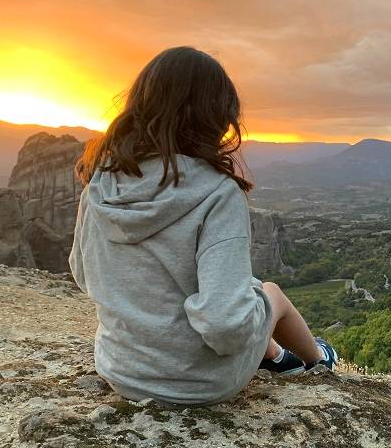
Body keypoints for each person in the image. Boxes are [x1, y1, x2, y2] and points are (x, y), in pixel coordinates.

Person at [69, 46, 337, 406]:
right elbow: (226, 325)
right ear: (216, 116)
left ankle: (277, 358)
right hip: (197, 384)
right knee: (267, 293)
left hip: (121, 370)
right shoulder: (216, 192)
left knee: (242, 294)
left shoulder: (101, 182)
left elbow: (82, 273)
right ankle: (319, 360)